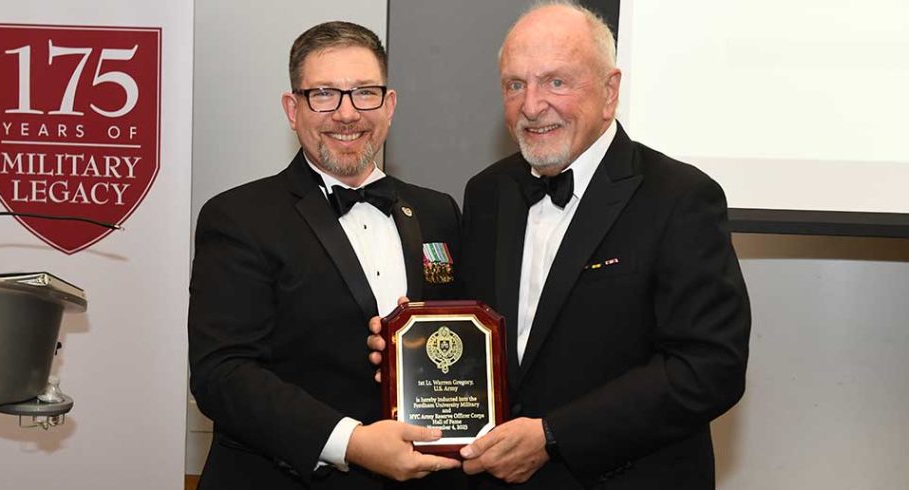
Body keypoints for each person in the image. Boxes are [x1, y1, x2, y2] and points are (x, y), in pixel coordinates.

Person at [369, 2, 750, 488]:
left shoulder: (680, 197)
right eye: (514, 84)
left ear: (610, 91)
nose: (531, 105)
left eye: (556, 81)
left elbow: (709, 368)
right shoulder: (487, 193)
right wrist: (410, 345)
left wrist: (554, 436)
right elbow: (472, 335)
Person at [189, 21, 463, 490]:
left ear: (389, 105)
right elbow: (222, 375)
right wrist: (351, 442)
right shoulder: (238, 217)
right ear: (292, 110)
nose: (347, 113)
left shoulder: (439, 211)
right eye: (324, 95)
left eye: (364, 93)